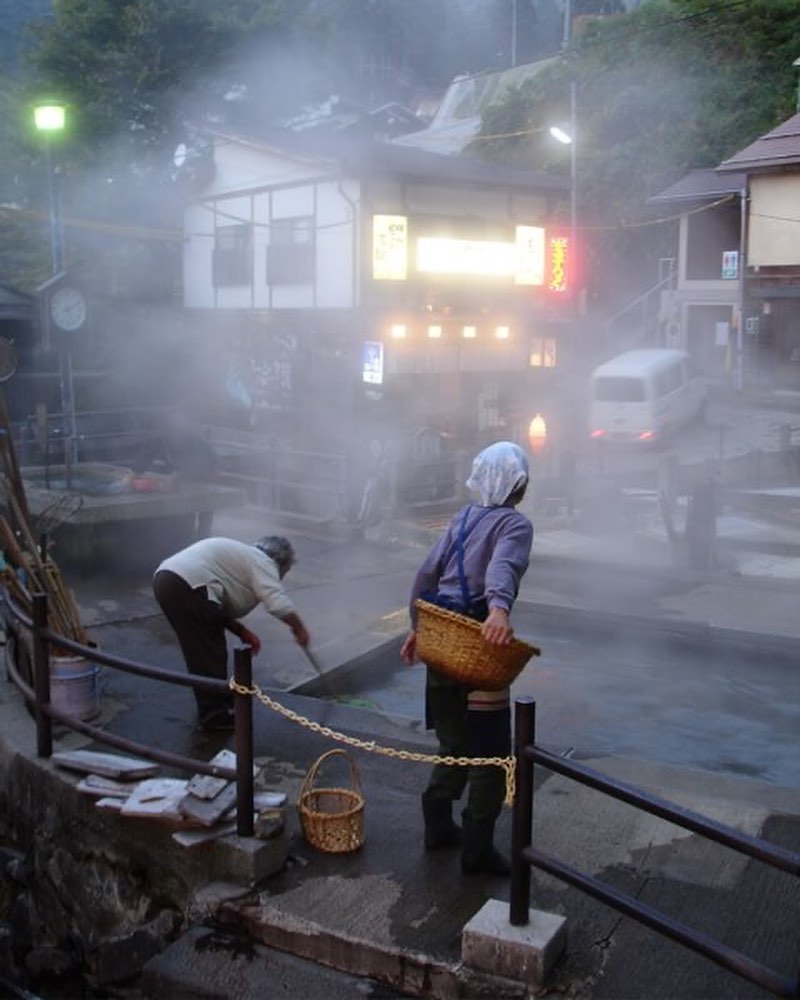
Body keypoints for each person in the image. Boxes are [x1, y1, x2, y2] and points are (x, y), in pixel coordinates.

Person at [400, 441, 533, 876]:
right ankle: (476, 849)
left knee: (453, 744)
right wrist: (498, 609)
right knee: (490, 754)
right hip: (477, 646)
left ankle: (437, 827)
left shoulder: (462, 517)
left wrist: (416, 627)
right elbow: (503, 568)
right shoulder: (514, 525)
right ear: (518, 483)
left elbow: (426, 572)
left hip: (441, 640)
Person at [153, 535, 310, 731]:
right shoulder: (263, 561)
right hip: (188, 584)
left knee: (201, 650)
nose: (281, 577)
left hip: (166, 580)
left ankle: (218, 704)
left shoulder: (244, 557)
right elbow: (277, 603)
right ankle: (215, 716)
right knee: (209, 653)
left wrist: (242, 631)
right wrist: (299, 628)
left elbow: (214, 609)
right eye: (285, 571)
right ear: (281, 562)